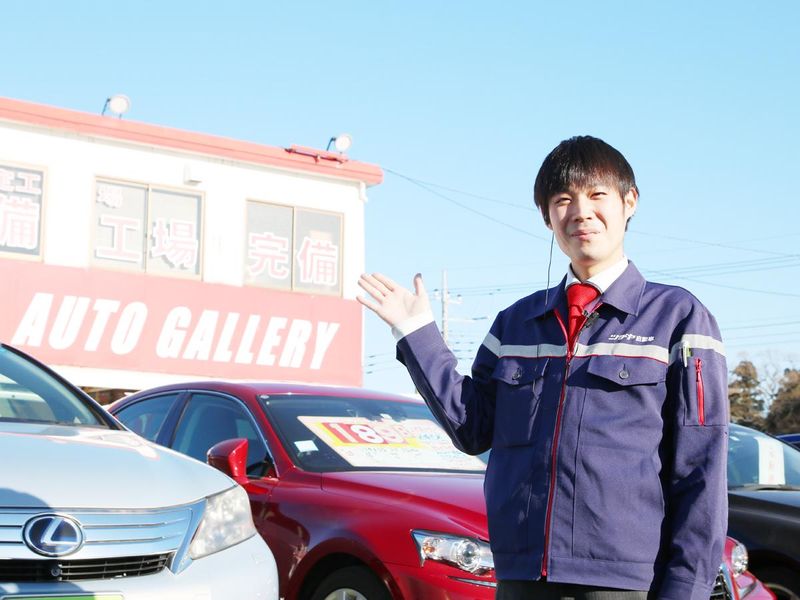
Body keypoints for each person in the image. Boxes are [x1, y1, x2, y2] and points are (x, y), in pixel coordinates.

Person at [358, 135, 728, 600]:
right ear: (546, 215)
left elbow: (700, 470)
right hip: (522, 577)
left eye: (597, 195)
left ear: (629, 202)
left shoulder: (678, 317)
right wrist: (417, 335)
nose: (581, 212)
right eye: (562, 199)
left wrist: (684, 590)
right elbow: (473, 428)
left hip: (626, 583)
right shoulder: (515, 323)